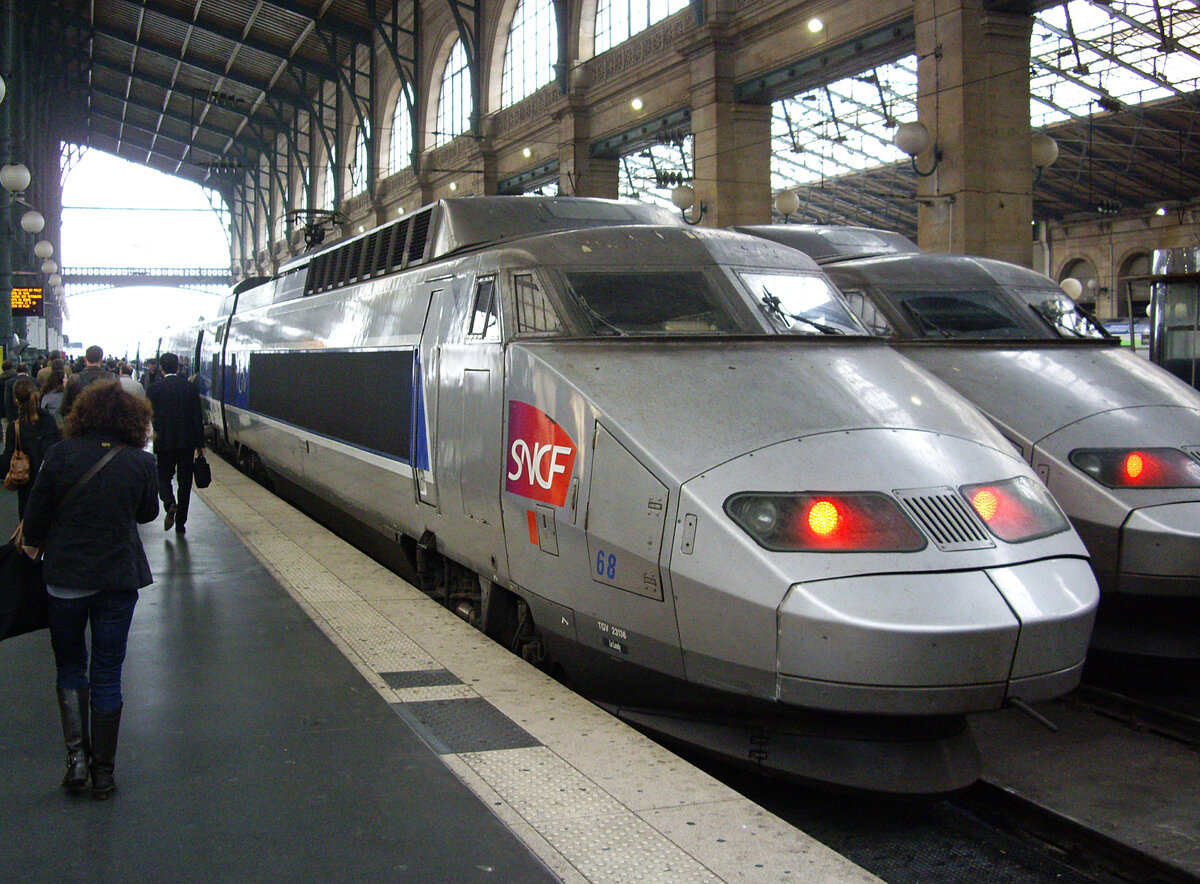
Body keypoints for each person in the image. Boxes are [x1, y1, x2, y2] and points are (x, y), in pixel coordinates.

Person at [21, 380, 158, 800]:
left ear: (82, 414)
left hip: (65, 580)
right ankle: (104, 774)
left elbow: (37, 516)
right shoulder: (139, 462)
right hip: (117, 581)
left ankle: (76, 762)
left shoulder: (59, 455)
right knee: (106, 671)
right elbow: (148, 513)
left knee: (70, 666)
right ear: (133, 420)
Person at [146, 351, 205, 535]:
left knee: (163, 476)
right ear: (178, 367)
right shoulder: (190, 388)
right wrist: (200, 444)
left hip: (164, 442)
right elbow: (197, 417)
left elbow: (149, 415)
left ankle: (170, 502)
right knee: (185, 483)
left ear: (162, 369)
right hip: (187, 443)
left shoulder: (155, 389)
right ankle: (181, 523)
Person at [0, 378, 62, 518]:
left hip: (28, 491)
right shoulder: (50, 422)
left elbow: (5, 465)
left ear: (16, 400)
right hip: (51, 487)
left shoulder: (15, 428)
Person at [60, 345, 114, 418]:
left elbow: (63, 409)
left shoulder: (74, 378)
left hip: (81, 423)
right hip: (105, 423)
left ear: (85, 359)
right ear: (101, 359)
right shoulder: (112, 378)